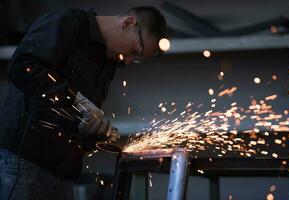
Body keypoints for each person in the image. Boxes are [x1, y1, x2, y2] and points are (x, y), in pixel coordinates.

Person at [0, 6, 167, 199]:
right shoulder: (69, 24)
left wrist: (96, 131)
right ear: (128, 23)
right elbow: (23, 66)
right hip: (25, 162)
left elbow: (74, 117)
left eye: (137, 60)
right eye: (134, 51)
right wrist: (75, 100)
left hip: (63, 172)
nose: (128, 60)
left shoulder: (108, 60)